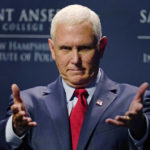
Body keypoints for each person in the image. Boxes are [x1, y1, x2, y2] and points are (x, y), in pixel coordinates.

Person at [0, 4, 150, 150]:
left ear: (101, 47)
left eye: (84, 48)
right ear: (52, 49)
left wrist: (140, 128)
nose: (75, 60)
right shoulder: (28, 104)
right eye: (65, 48)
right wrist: (14, 130)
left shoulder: (132, 101)